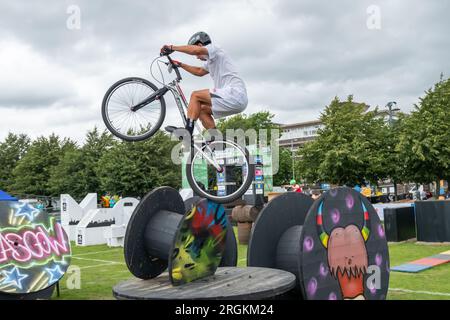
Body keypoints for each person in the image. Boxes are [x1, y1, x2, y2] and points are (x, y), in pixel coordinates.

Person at [160, 32, 248, 139]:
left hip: (234, 94)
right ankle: (217, 139)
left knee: (195, 95)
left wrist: (172, 47)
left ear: (200, 45)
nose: (197, 57)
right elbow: (199, 71)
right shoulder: (210, 61)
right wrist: (180, 64)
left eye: (197, 54)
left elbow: (195, 50)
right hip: (234, 100)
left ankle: (187, 133)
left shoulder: (215, 49)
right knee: (201, 110)